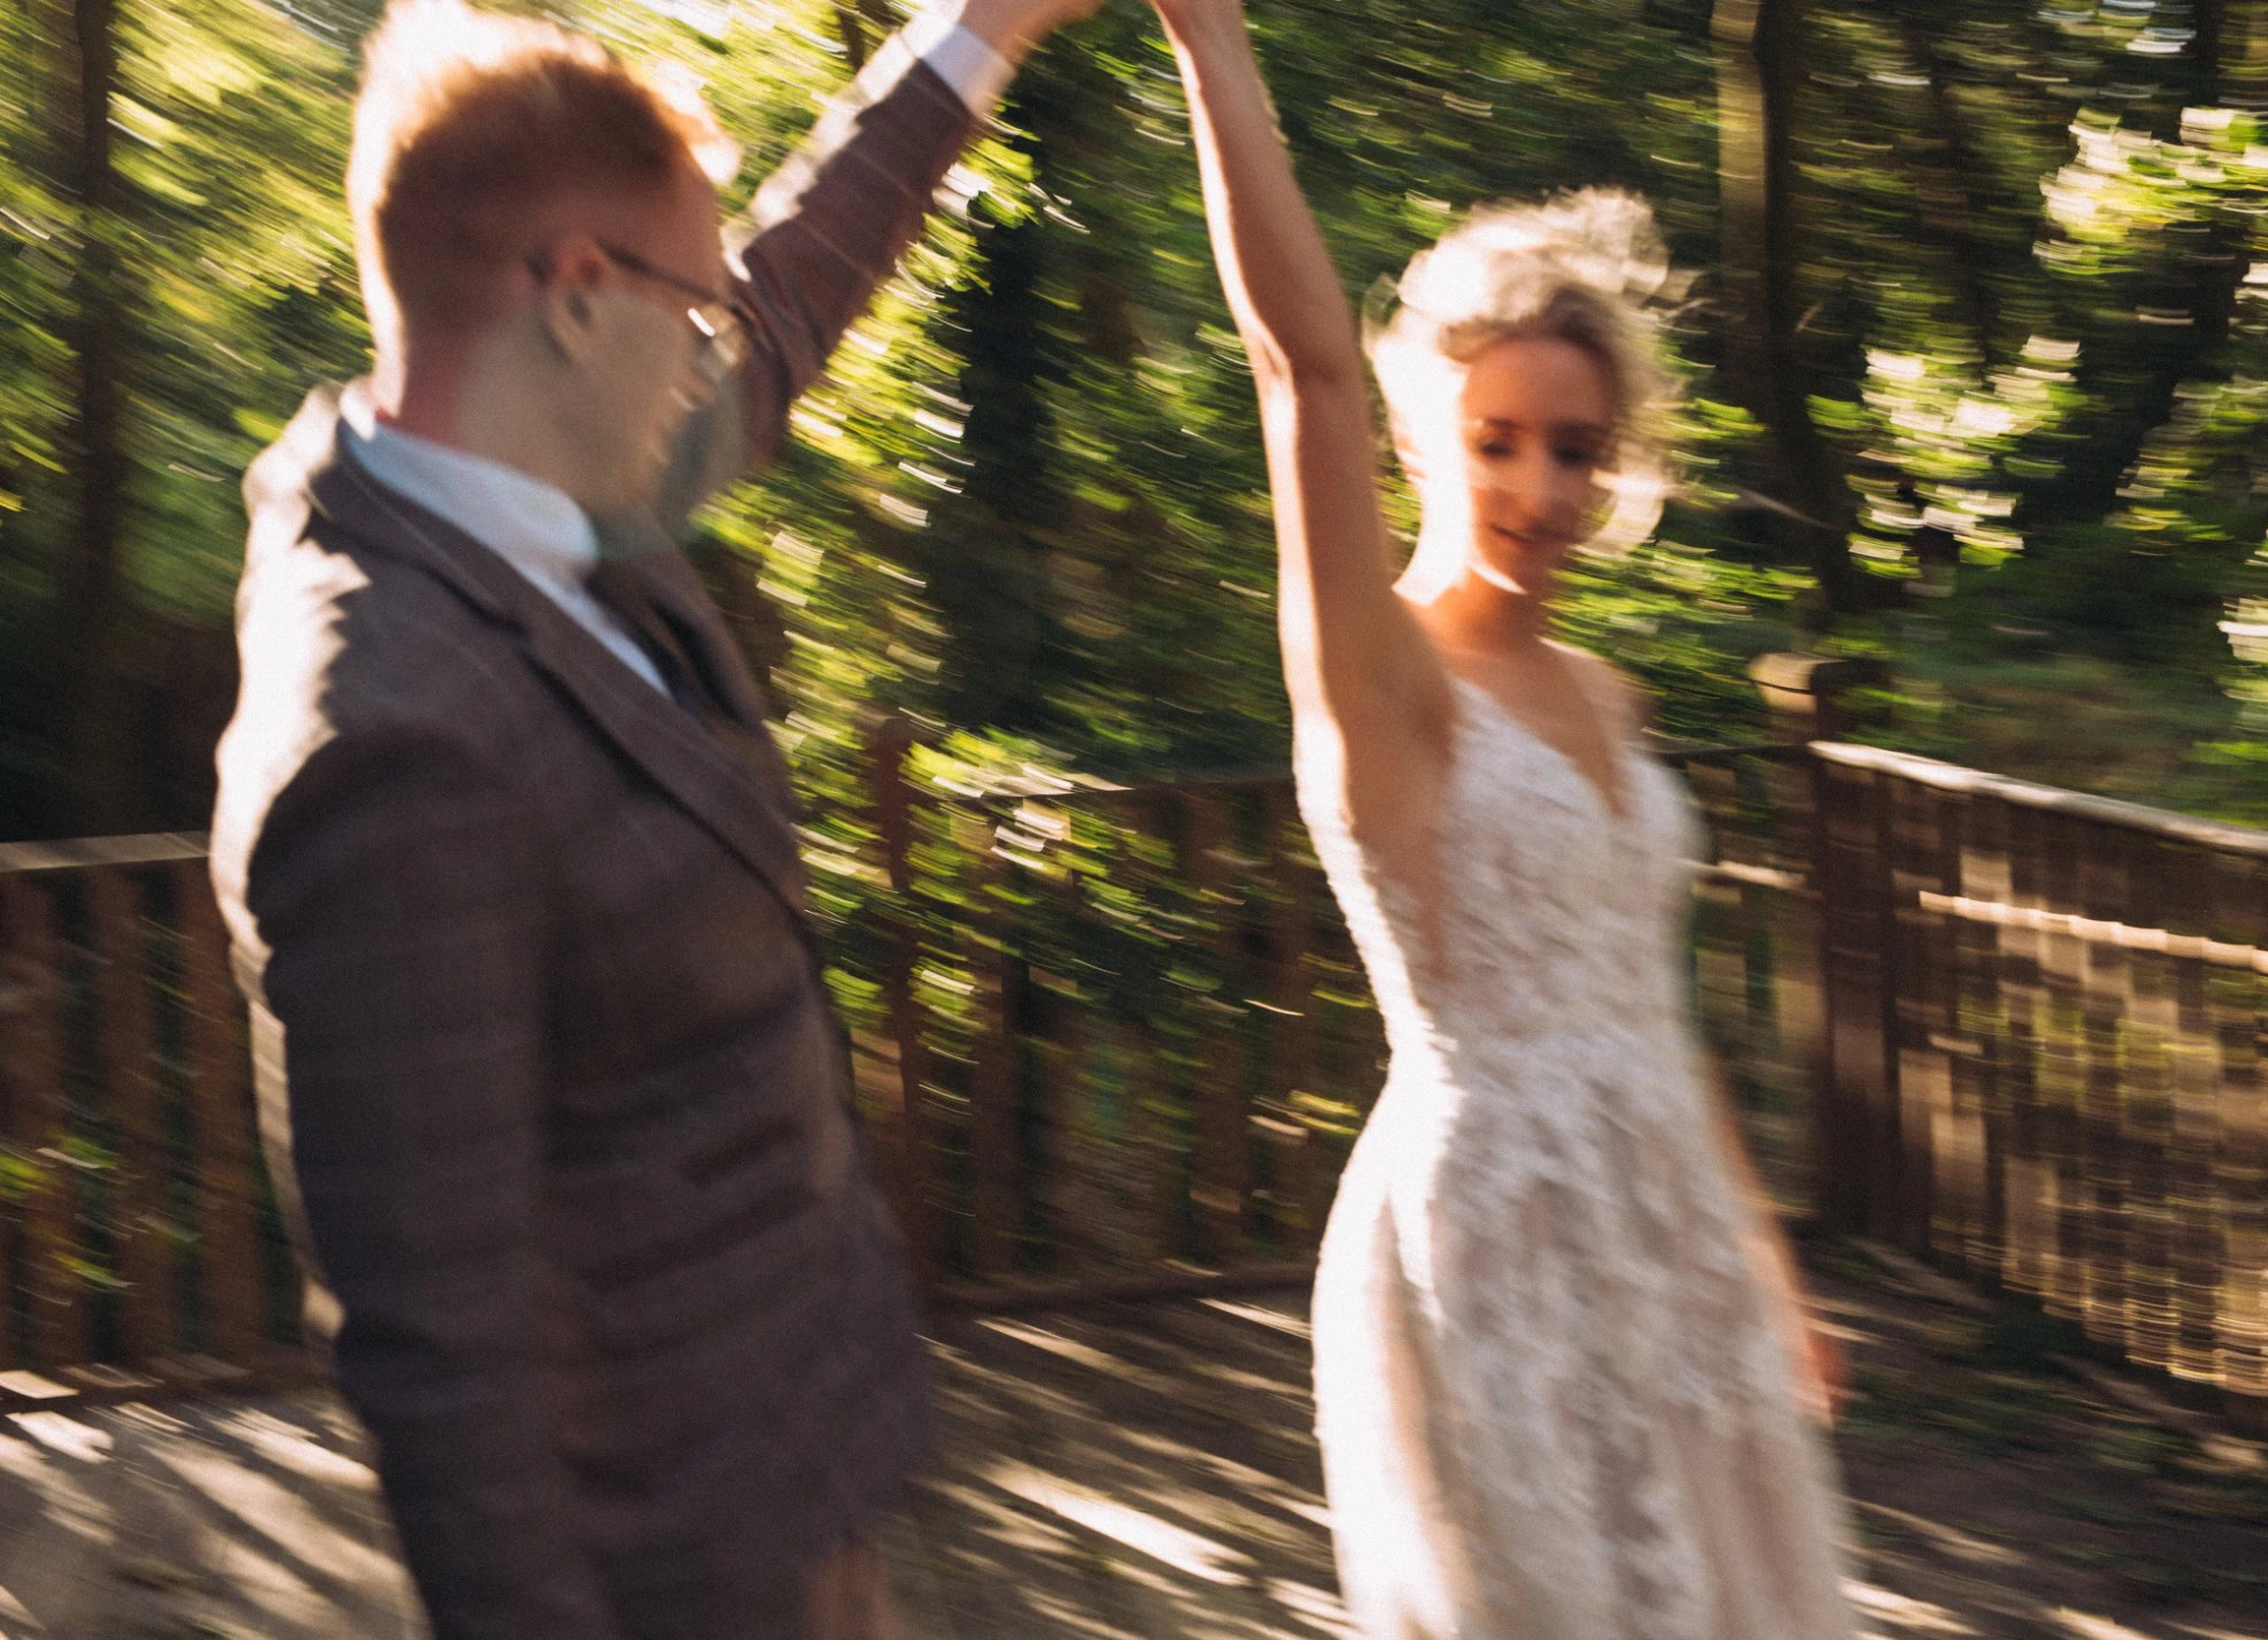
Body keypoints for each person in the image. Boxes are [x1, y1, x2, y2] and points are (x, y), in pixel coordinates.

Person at [209, 0, 1097, 1634]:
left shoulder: (556, 497)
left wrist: (984, 32)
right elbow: (436, 1344)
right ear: (575, 292)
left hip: (802, 1481)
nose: (718, 351)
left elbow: (800, 297)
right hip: (666, 1573)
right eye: (694, 307)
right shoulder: (385, 731)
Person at [1145, 1, 1860, 1634]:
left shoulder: (1609, 695)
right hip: (1496, 1243)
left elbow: (1654, 1019)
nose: (1540, 488)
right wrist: (1211, 42)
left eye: (1577, 450)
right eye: (1497, 442)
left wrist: (1765, 1264)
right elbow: (1299, 369)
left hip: (1668, 1232)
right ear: (1422, 434)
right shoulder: (1381, 680)